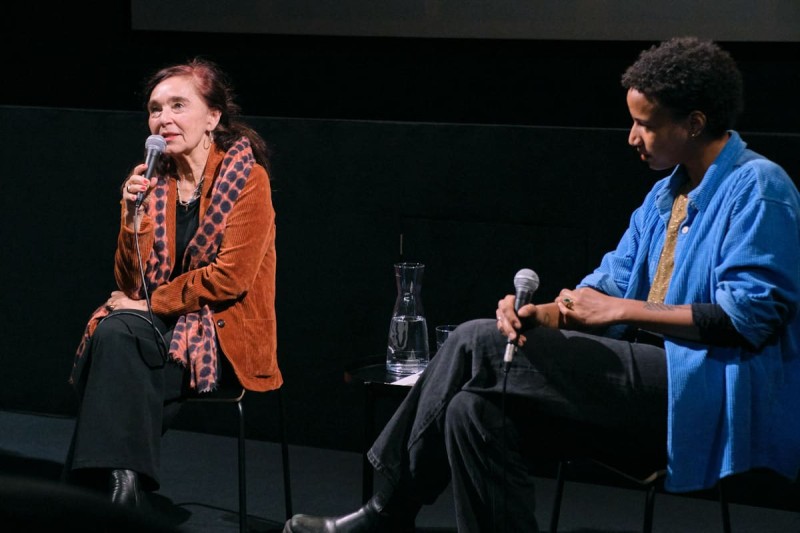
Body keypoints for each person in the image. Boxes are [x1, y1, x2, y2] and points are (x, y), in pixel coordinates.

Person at [284, 37, 800, 532]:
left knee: (472, 339)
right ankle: (392, 510)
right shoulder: (665, 196)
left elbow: (748, 319)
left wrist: (621, 311)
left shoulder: (759, 186)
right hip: (634, 388)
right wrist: (543, 313)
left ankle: (385, 512)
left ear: (694, 123)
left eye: (644, 124)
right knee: (474, 411)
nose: (631, 138)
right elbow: (599, 289)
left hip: (699, 393)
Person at [64, 57, 282, 507]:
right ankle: (124, 487)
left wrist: (150, 305)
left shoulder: (248, 179)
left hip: (219, 331)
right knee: (115, 334)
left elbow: (229, 279)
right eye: (155, 108)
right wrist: (131, 216)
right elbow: (129, 279)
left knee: (116, 343)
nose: (163, 119)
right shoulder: (151, 180)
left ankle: (93, 495)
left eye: (178, 105)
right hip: (158, 329)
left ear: (213, 117)